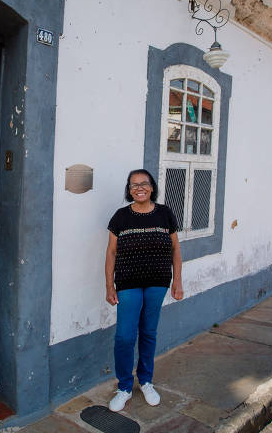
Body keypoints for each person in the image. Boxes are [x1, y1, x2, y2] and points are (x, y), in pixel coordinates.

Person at [104, 169, 183, 412]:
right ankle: (125, 387)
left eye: (144, 183)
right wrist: (109, 285)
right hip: (128, 283)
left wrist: (177, 281)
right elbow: (111, 252)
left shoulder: (165, 214)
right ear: (129, 190)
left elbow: (175, 250)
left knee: (148, 332)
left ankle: (146, 381)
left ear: (152, 187)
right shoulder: (120, 217)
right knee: (125, 336)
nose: (139, 187)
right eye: (134, 184)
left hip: (158, 282)